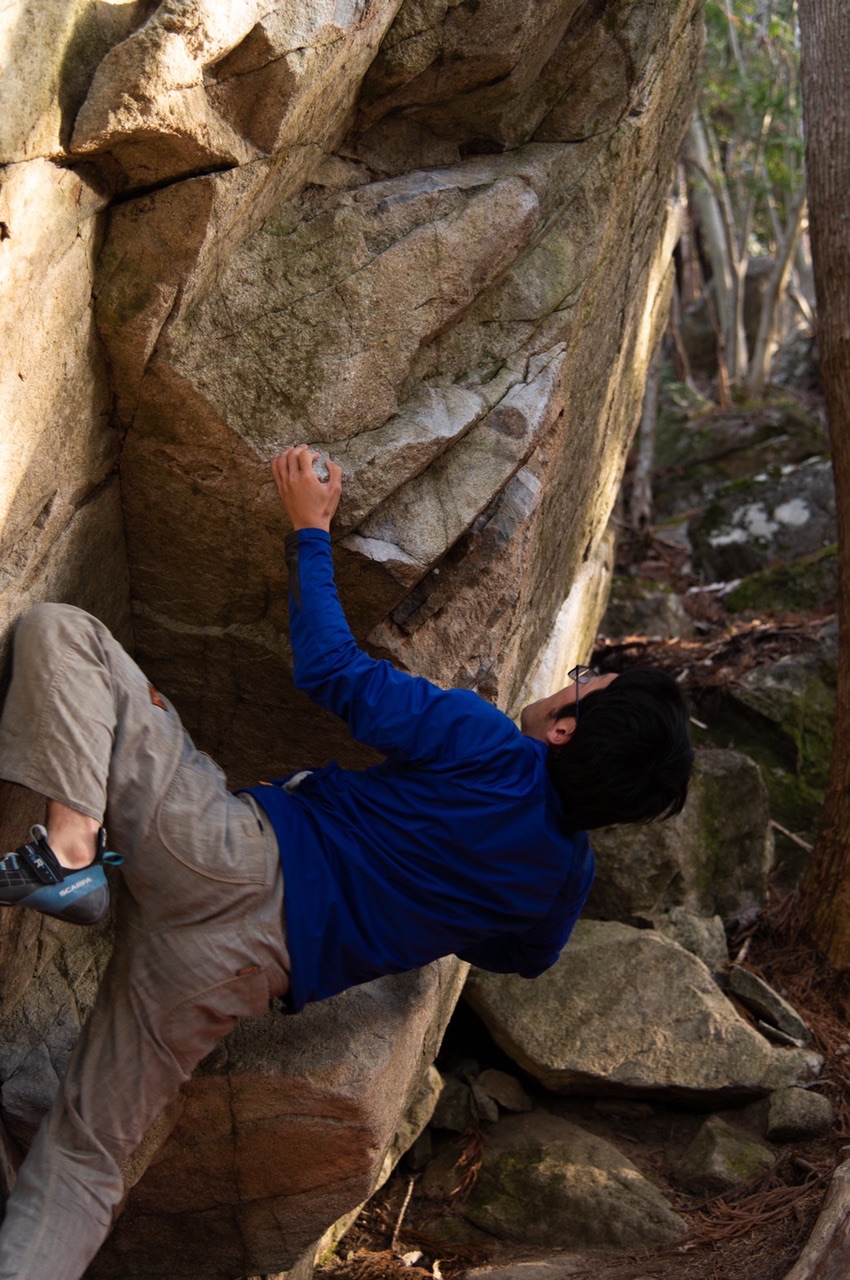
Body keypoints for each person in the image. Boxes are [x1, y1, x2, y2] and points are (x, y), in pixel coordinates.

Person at [0, 446, 693, 1278]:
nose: (571, 682)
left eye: (584, 681)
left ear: (565, 729)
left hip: (224, 856)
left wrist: (309, 530)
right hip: (234, 976)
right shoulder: (561, 884)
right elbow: (522, 955)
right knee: (85, 1159)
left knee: (65, 634)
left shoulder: (489, 746)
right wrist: (428, 901)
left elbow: (331, 669)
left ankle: (72, 847)